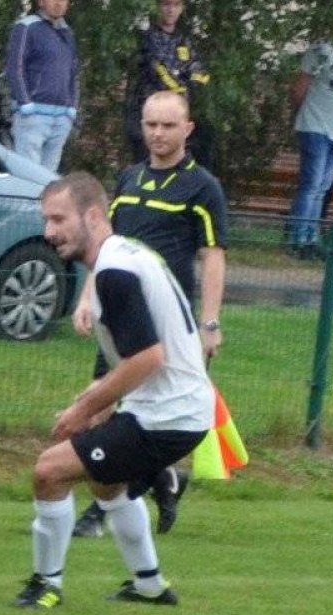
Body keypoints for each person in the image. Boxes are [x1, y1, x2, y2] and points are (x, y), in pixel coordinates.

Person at [12, 172, 213, 610]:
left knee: (50, 471)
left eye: (58, 219)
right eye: (46, 220)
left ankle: (46, 586)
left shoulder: (115, 270)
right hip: (172, 409)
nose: (49, 232)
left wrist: (85, 407)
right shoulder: (125, 255)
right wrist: (104, 396)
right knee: (106, 484)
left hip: (168, 415)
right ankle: (149, 585)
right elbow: (144, 356)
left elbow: (148, 358)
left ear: (93, 216)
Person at [69, 90, 227, 539]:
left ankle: (120, 498)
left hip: (165, 322)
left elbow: (213, 256)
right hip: (119, 312)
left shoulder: (202, 187)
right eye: (151, 124)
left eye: (168, 126)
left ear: (187, 129)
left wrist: (210, 323)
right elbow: (104, 246)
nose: (157, 134)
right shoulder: (129, 179)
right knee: (101, 402)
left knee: (154, 413)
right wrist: (86, 297)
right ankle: (155, 482)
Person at [286, 5, 333, 260]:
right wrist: (302, 115)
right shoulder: (321, 49)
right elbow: (300, 87)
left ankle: (311, 236)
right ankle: (297, 238)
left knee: (322, 187)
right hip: (315, 126)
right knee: (310, 184)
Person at [124, 0, 210, 166]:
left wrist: (188, 83)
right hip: (150, 112)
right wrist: (181, 85)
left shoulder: (183, 40)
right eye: (166, 5)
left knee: (203, 141)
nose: (171, 10)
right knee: (147, 163)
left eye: (176, 5)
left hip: (176, 113)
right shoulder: (148, 37)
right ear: (157, 7)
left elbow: (200, 73)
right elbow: (158, 70)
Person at [4, 0, 79, 172]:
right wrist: (25, 103)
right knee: (28, 175)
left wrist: (72, 108)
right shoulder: (26, 27)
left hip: (61, 118)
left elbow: (74, 73)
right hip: (33, 116)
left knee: (49, 180)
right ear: (41, 2)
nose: (59, 3)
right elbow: (15, 68)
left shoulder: (67, 33)